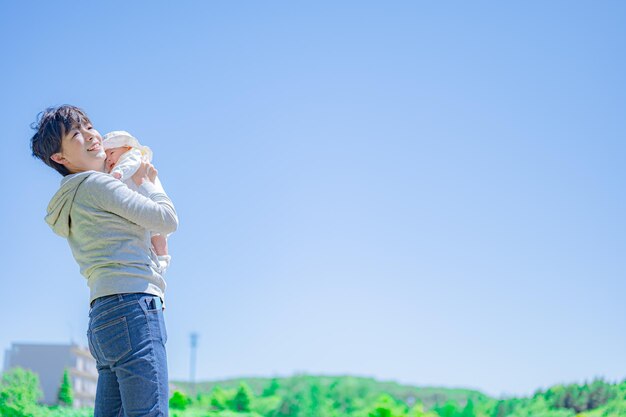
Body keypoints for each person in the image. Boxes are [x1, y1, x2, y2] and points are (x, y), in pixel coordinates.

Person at [30, 105, 178, 417]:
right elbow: (167, 219)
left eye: (89, 127)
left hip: (103, 315)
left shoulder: (72, 198)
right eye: (76, 134)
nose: (91, 136)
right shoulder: (97, 185)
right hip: (134, 307)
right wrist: (150, 181)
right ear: (60, 158)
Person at [103, 130, 170, 271]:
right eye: (106, 156)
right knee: (150, 234)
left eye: (112, 153)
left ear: (126, 148)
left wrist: (117, 174)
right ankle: (156, 258)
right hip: (140, 206)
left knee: (157, 234)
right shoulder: (115, 165)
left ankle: (163, 257)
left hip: (149, 199)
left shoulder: (132, 156)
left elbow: (128, 166)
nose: (108, 158)